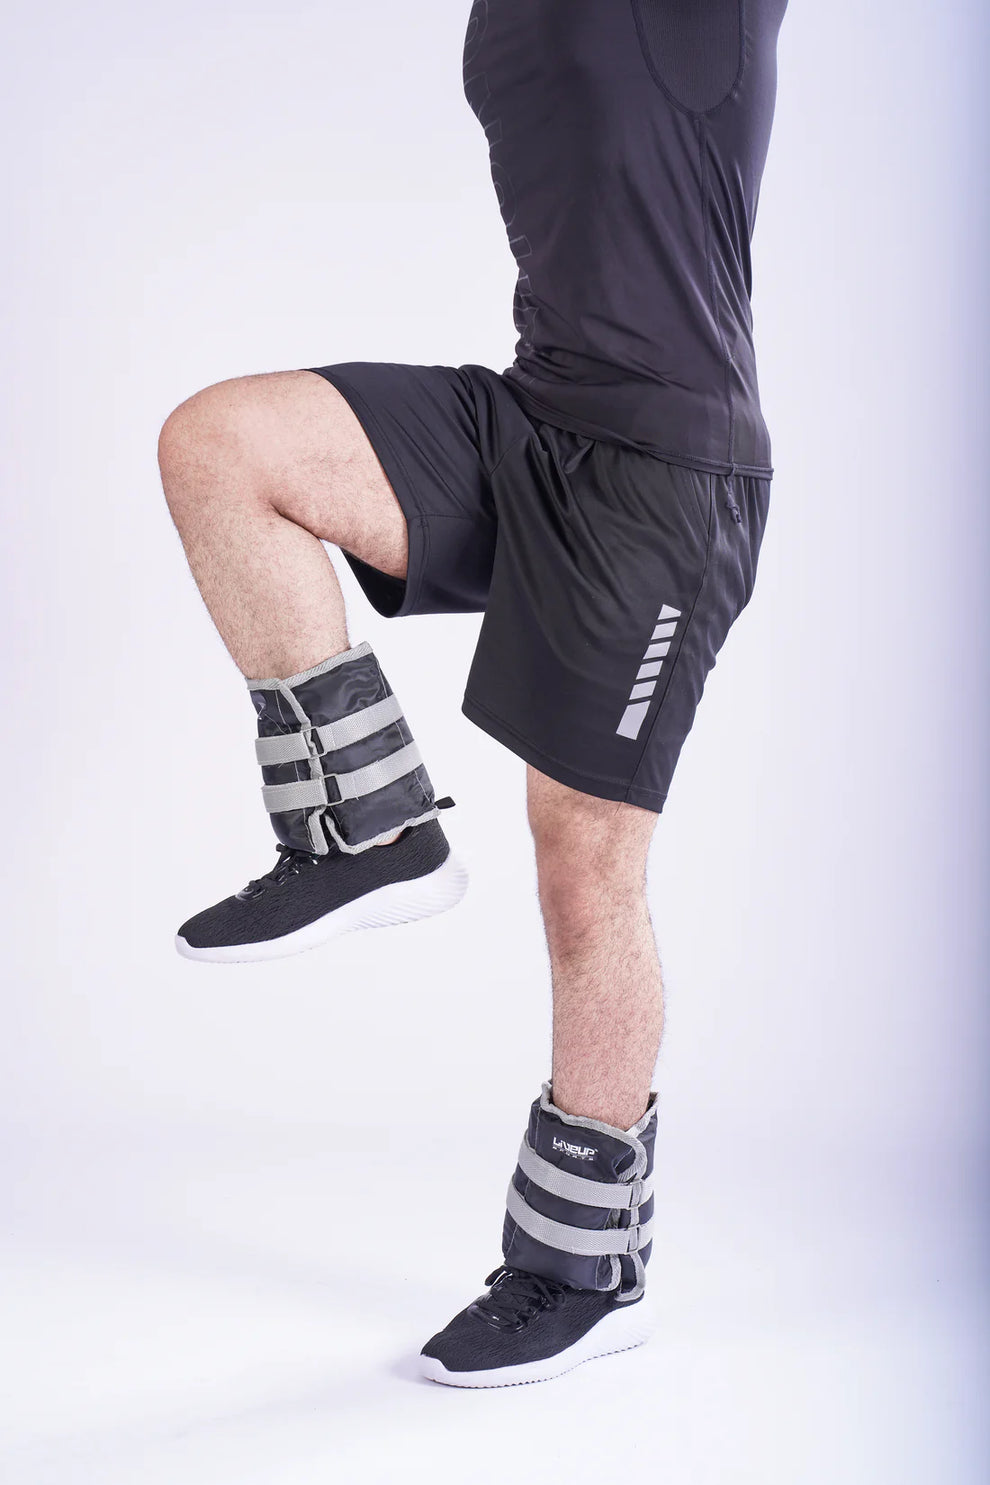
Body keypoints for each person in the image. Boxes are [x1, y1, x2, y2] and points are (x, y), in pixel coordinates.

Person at [158, 0, 788, 1387]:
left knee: (585, 871)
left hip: (666, 473)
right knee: (223, 443)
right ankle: (366, 830)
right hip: (532, 417)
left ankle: (579, 1270)